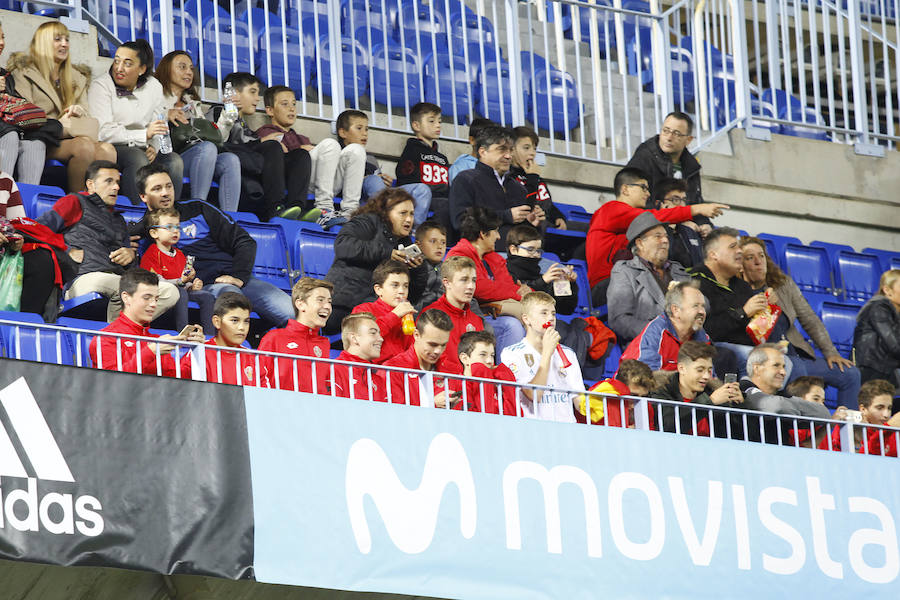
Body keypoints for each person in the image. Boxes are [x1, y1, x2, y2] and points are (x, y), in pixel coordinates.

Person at [132, 163, 293, 327]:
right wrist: (126, 249)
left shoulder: (198, 208)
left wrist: (238, 276)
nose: (166, 193)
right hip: (204, 287)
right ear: (143, 196)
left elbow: (244, 241)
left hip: (238, 278)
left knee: (293, 314)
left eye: (169, 186)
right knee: (234, 302)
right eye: (157, 189)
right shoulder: (144, 230)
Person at [38, 160, 179, 321]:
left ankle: (124, 329)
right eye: (109, 181)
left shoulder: (119, 220)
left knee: (170, 292)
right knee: (120, 288)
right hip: (82, 277)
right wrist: (67, 250)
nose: (116, 187)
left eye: (118, 182)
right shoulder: (74, 202)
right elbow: (37, 229)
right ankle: (116, 340)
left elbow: (130, 269)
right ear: (91, 185)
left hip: (117, 278)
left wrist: (130, 257)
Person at [739, 236, 861, 408]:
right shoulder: (738, 291)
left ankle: (848, 429)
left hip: (796, 354)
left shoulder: (783, 285)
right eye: (750, 258)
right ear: (740, 265)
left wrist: (831, 352)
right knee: (794, 367)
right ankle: (799, 427)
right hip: (767, 359)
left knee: (850, 374)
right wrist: (762, 307)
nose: (759, 262)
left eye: (761, 256)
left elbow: (810, 319)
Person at [586, 167, 726, 304]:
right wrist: (696, 209)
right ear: (625, 189)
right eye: (643, 187)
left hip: (628, 279)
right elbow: (653, 217)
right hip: (607, 284)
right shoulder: (611, 209)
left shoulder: (628, 220)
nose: (647, 194)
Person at [8, 21, 117, 192]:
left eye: (67, 40)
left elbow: (89, 120)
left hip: (72, 137)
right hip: (39, 140)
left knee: (107, 149)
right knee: (83, 146)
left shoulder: (77, 77)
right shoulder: (23, 73)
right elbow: (25, 116)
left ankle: (100, 207)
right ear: (43, 42)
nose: (64, 44)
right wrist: (59, 124)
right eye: (57, 39)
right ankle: (78, 206)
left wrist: (80, 112)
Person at [88, 39, 184, 203]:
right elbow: (103, 132)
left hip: (144, 145)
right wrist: (143, 135)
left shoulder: (154, 86)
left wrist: (153, 146)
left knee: (174, 161)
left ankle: (169, 214)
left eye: (127, 63)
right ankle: (137, 212)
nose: (119, 68)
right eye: (117, 60)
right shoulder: (101, 86)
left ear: (141, 69)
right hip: (115, 146)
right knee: (137, 158)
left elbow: (158, 121)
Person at [257, 86, 364, 229]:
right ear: (270, 110)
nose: (291, 108)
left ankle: (350, 212)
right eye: (285, 104)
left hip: (320, 183)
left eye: (294, 104)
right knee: (330, 144)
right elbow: (276, 162)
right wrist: (300, 150)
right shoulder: (266, 133)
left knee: (356, 149)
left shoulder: (301, 137)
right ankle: (324, 210)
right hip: (294, 183)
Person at [324, 187, 428, 332]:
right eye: (403, 213)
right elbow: (343, 245)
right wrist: (387, 253)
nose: (409, 219)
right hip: (343, 304)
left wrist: (417, 269)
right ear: (386, 213)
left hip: (377, 313)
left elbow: (413, 294)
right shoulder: (367, 221)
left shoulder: (405, 242)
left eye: (411, 214)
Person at [213, 72, 311, 221]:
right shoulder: (217, 112)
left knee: (300, 155)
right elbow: (218, 141)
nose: (257, 98)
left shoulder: (245, 124)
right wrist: (261, 142)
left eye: (258, 93)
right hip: (231, 161)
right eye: (252, 92)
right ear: (234, 93)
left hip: (252, 160)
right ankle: (275, 207)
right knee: (272, 146)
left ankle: (297, 207)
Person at [692, 227, 788, 376]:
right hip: (711, 345)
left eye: (738, 247)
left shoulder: (741, 286)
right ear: (713, 254)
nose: (739, 251)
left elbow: (756, 329)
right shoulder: (696, 281)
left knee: (785, 362)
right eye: (732, 247)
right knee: (757, 359)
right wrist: (743, 312)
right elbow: (707, 329)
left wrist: (768, 308)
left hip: (746, 346)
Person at [155, 50, 240, 210]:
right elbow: (145, 122)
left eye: (191, 68)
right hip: (165, 158)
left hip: (196, 157)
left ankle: (229, 219)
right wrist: (166, 114)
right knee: (206, 149)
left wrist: (228, 116)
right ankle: (198, 207)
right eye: (182, 67)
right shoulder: (155, 96)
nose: (188, 72)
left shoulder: (194, 104)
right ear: (167, 69)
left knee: (230, 159)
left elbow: (216, 138)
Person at [89, 268, 203, 375]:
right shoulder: (105, 338)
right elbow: (110, 382)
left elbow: (175, 378)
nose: (153, 304)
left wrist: (195, 352)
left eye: (156, 299)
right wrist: (151, 352)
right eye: (147, 297)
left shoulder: (157, 341)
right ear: (126, 297)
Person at [446, 206, 527, 355]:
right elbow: (479, 287)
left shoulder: (493, 258)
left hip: (494, 314)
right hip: (468, 317)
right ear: (483, 234)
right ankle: (506, 377)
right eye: (495, 231)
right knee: (512, 326)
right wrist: (518, 293)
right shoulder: (459, 254)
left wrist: (527, 294)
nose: (498, 236)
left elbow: (507, 285)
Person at [621, 281, 739, 375]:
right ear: (675, 310)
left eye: (703, 306)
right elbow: (644, 380)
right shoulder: (656, 334)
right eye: (695, 306)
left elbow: (710, 377)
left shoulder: (702, 337)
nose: (702, 312)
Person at [449, 125, 538, 249]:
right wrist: (506, 216)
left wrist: (531, 222)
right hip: (482, 255)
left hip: (518, 256)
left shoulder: (518, 188)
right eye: (502, 149)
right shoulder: (466, 180)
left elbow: (523, 234)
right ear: (482, 152)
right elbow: (460, 222)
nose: (508, 156)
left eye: (511, 150)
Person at [607, 212, 690, 346]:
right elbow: (619, 320)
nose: (665, 240)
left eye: (666, 236)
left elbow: (705, 305)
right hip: (649, 345)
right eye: (658, 236)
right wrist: (661, 332)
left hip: (688, 344)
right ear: (640, 243)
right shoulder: (625, 271)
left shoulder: (678, 270)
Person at [500, 292, 583, 422]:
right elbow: (534, 395)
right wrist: (547, 354)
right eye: (544, 313)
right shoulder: (511, 353)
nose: (550, 318)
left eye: (553, 314)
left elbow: (579, 401)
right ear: (526, 319)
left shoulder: (568, 354)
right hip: (534, 431)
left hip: (567, 430)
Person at [343, 109, 431, 227]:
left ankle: (412, 231)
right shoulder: (340, 154)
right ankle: (386, 223)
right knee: (374, 180)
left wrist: (385, 181)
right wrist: (370, 179)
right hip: (360, 196)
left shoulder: (371, 158)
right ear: (343, 132)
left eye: (367, 129)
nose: (365, 133)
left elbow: (377, 188)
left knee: (422, 189)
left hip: (380, 196)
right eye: (359, 128)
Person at [0, 171, 68, 318]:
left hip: (3, 251)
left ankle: (25, 324)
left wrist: (14, 239)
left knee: (42, 260)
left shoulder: (5, 180)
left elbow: (18, 225)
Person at [140, 206, 215, 335]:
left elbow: (183, 281)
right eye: (169, 227)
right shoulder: (152, 253)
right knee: (181, 292)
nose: (175, 231)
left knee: (207, 296)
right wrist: (181, 282)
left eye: (177, 227)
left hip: (181, 289)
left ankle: (210, 337)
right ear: (154, 233)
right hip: (162, 294)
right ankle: (182, 332)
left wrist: (192, 285)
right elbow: (158, 282)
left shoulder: (180, 254)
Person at [258, 277, 333, 394]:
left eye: (329, 301)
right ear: (300, 304)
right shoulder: (274, 337)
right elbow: (261, 376)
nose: (327, 306)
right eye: (320, 300)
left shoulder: (324, 343)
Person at [652, 341, 743, 436]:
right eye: (700, 370)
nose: (706, 376)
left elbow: (742, 434)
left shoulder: (713, 392)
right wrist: (709, 401)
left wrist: (741, 405)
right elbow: (667, 426)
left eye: (709, 370)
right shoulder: (661, 391)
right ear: (682, 368)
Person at [626, 111, 705, 217]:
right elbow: (634, 202)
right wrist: (680, 220)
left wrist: (703, 223)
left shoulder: (692, 166)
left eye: (676, 134)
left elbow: (695, 201)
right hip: (650, 223)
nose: (669, 138)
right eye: (666, 131)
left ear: (688, 140)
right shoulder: (644, 157)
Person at [381, 308, 463, 407]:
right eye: (432, 344)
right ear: (416, 335)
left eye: (443, 345)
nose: (438, 351)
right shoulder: (392, 370)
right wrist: (431, 404)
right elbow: (392, 415)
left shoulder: (453, 371)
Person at [178, 291, 263, 385]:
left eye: (246, 321)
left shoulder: (254, 359)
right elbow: (180, 389)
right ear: (217, 322)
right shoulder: (199, 352)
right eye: (235, 320)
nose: (242, 327)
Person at [0, 21, 47, 185]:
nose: (1, 43)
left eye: (3, 37)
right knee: (9, 136)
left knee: (35, 144)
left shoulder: (6, 75)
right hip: (5, 135)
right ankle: (3, 199)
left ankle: (25, 203)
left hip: (9, 130)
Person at [738, 343, 833, 419]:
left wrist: (787, 408)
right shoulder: (742, 389)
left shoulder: (782, 395)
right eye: (776, 365)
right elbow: (776, 406)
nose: (783, 372)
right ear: (757, 368)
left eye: (784, 367)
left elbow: (823, 413)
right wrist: (800, 410)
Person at [421, 256, 484, 368]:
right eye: (464, 280)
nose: (471, 286)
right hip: (441, 382)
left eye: (473, 280)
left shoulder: (476, 320)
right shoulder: (430, 316)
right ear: (447, 283)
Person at [395, 102, 450, 228]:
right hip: (416, 198)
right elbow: (407, 180)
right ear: (416, 125)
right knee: (426, 192)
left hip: (439, 200)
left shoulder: (443, 158)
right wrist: (437, 188)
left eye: (439, 122)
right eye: (431, 121)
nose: (437, 125)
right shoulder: (411, 150)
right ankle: (415, 231)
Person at [350, 260, 416, 364]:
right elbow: (363, 339)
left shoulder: (408, 316)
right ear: (378, 289)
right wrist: (394, 315)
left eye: (405, 286)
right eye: (395, 285)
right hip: (372, 371)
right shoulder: (364, 310)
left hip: (402, 373)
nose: (401, 291)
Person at [505, 224, 578, 315]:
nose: (536, 254)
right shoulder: (505, 271)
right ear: (513, 249)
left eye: (538, 251)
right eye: (530, 249)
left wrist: (569, 284)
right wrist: (543, 281)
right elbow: (518, 297)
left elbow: (565, 309)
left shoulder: (542, 276)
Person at [509, 125, 567, 230]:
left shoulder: (538, 179)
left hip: (546, 225)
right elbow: (523, 206)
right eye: (526, 148)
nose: (532, 153)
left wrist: (558, 217)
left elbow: (548, 205)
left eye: (534, 149)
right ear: (511, 150)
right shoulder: (508, 177)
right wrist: (532, 177)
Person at [825, 379, 900, 456]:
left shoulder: (895, 431)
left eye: (889, 408)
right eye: (879, 408)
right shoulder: (847, 427)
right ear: (863, 409)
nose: (886, 415)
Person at [854, 269, 900, 390]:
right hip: (871, 369)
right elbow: (894, 345)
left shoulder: (896, 313)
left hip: (886, 369)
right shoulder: (879, 307)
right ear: (887, 290)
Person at [577, 359, 655, 427]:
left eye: (644, 396)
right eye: (632, 395)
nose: (636, 404)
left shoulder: (645, 406)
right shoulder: (605, 398)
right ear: (619, 387)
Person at [457, 330, 517, 415]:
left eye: (492, 355)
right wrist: (482, 375)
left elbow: (515, 417)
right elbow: (477, 420)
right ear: (464, 358)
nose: (490, 361)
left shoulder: (497, 384)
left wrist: (507, 383)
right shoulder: (457, 385)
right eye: (482, 355)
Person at [332, 312, 385, 401]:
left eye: (379, 334)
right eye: (373, 333)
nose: (381, 339)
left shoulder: (378, 380)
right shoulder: (335, 370)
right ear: (354, 338)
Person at [653, 178, 704, 268]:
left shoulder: (690, 230)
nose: (681, 205)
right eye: (675, 200)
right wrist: (669, 227)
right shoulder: (651, 232)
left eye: (683, 200)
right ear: (659, 204)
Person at [413, 219, 447, 310]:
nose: (439, 246)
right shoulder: (413, 268)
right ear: (418, 245)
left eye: (443, 242)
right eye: (433, 241)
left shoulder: (448, 269)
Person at [448, 117, 494, 183]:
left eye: (493, 140)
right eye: (485, 139)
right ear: (472, 140)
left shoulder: (497, 167)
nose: (490, 144)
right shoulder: (460, 168)